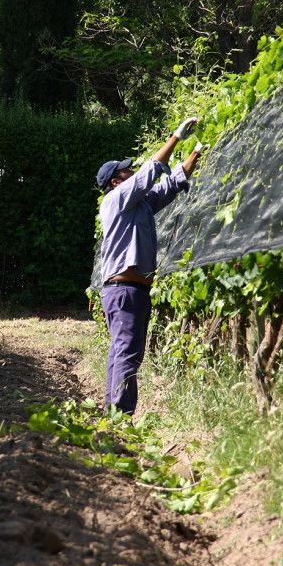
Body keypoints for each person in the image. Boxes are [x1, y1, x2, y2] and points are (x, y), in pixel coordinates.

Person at [95, 118, 202, 416]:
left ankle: (113, 413)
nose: (131, 170)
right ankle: (121, 416)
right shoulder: (116, 200)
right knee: (127, 354)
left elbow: (168, 184)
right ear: (116, 181)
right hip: (124, 291)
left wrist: (195, 153)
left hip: (132, 291)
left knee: (124, 353)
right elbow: (150, 173)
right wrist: (176, 137)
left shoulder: (137, 205)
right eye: (125, 169)